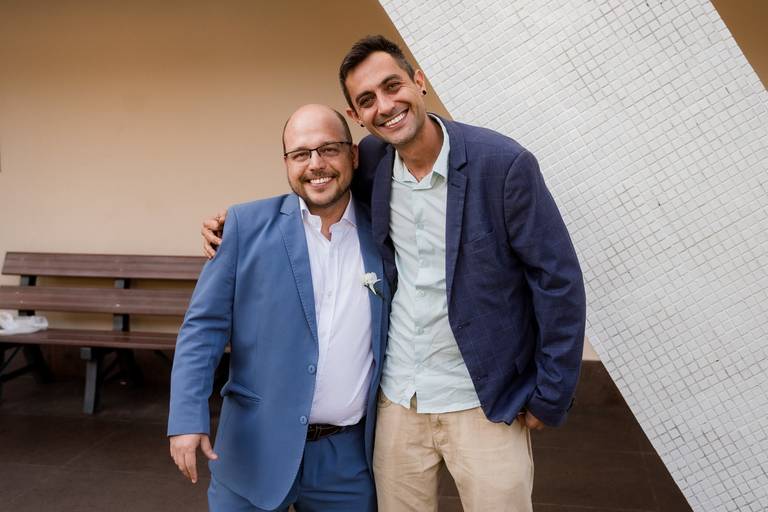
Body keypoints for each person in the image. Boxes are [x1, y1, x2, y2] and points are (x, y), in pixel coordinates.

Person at [202, 36, 586, 512]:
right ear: (357, 115)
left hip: (485, 402)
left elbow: (558, 281)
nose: (384, 106)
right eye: (367, 100)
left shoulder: (502, 165)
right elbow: (318, 181)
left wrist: (552, 393)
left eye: (392, 86)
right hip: (398, 401)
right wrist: (235, 225)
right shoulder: (372, 163)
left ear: (418, 82)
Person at [170, 104, 388, 512]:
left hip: (346, 461)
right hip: (252, 448)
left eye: (329, 149)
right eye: (300, 154)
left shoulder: (385, 234)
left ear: (354, 155)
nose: (316, 164)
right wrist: (186, 418)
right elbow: (202, 330)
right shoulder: (243, 226)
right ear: (287, 163)